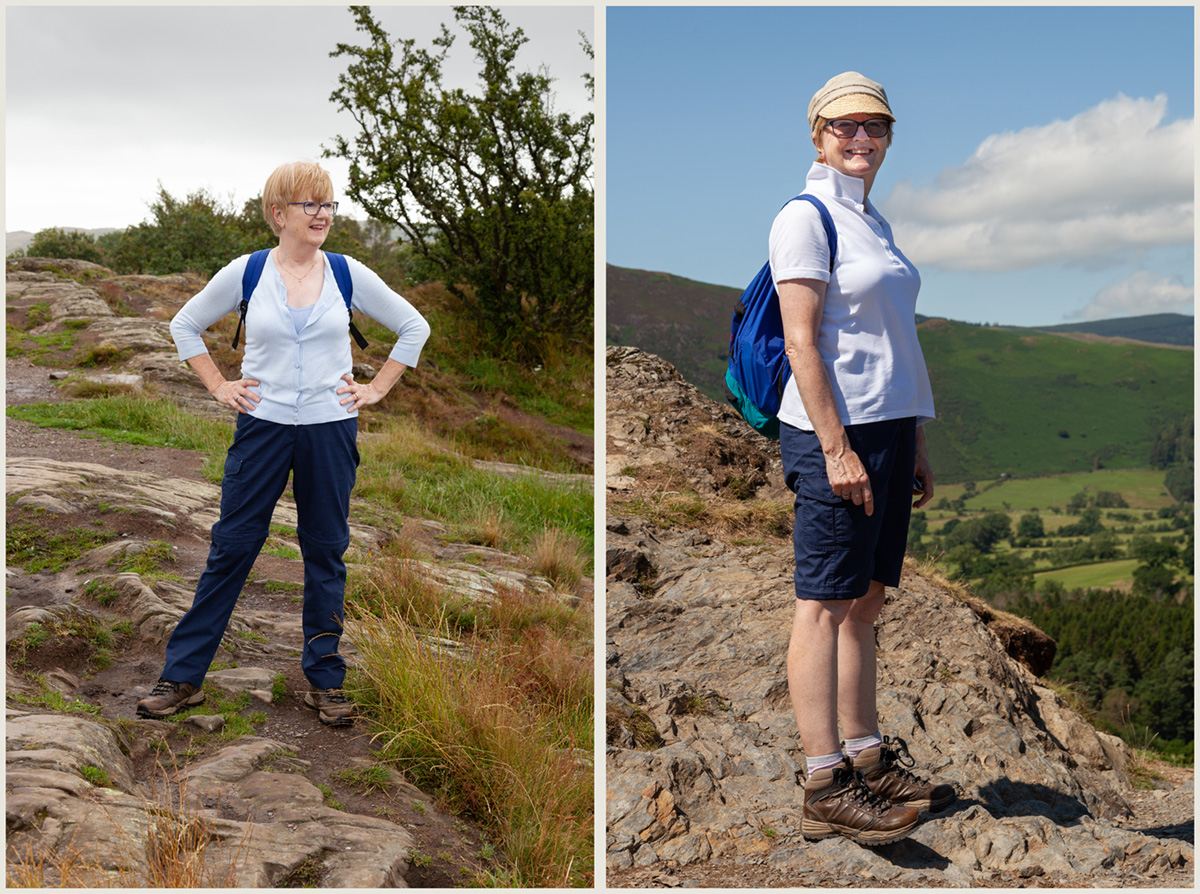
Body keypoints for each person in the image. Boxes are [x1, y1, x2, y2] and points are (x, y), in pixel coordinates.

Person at [136, 161, 430, 727]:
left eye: (328, 205)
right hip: (262, 427)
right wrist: (219, 385)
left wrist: (376, 388)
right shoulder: (248, 272)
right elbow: (184, 324)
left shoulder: (346, 273)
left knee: (325, 552)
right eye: (309, 205)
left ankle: (326, 682)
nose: (322, 215)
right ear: (278, 214)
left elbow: (414, 326)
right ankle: (183, 677)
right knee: (232, 548)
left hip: (329, 428)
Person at [770, 72, 954, 844]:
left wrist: (910, 440)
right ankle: (824, 783)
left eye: (874, 125)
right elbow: (802, 342)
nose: (860, 137)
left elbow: (889, 343)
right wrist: (838, 448)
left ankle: (868, 760)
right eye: (844, 125)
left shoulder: (872, 220)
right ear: (818, 135)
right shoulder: (805, 219)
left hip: (886, 432)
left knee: (867, 600)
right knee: (822, 602)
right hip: (831, 435)